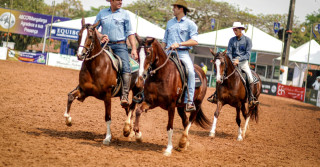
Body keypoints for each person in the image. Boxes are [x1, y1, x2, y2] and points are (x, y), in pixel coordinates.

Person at [94, 0, 138, 107]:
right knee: (92, 61)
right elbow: (94, 28)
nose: (120, 2)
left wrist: (133, 48)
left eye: (121, 0)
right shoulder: (102, 13)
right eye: (118, 0)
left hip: (120, 46)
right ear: (111, 1)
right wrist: (100, 36)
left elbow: (130, 33)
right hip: (104, 45)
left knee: (126, 67)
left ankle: (124, 95)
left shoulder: (125, 14)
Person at [208, 22, 259, 108]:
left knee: (250, 77)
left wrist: (239, 60)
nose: (235, 31)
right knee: (222, 75)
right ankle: (216, 95)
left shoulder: (247, 40)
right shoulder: (231, 40)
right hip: (232, 63)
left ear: (241, 29)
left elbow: (248, 54)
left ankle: (251, 98)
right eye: (234, 30)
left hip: (243, 63)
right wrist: (232, 61)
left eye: (236, 29)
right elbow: (229, 52)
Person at [163, 0, 198, 112]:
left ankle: (189, 101)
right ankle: (144, 94)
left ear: (181, 9)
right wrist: (162, 51)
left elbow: (194, 41)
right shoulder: (169, 23)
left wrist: (180, 44)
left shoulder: (190, 24)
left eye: (175, 7)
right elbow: (164, 40)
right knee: (152, 66)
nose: (173, 9)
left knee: (191, 72)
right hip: (168, 52)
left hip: (182, 53)